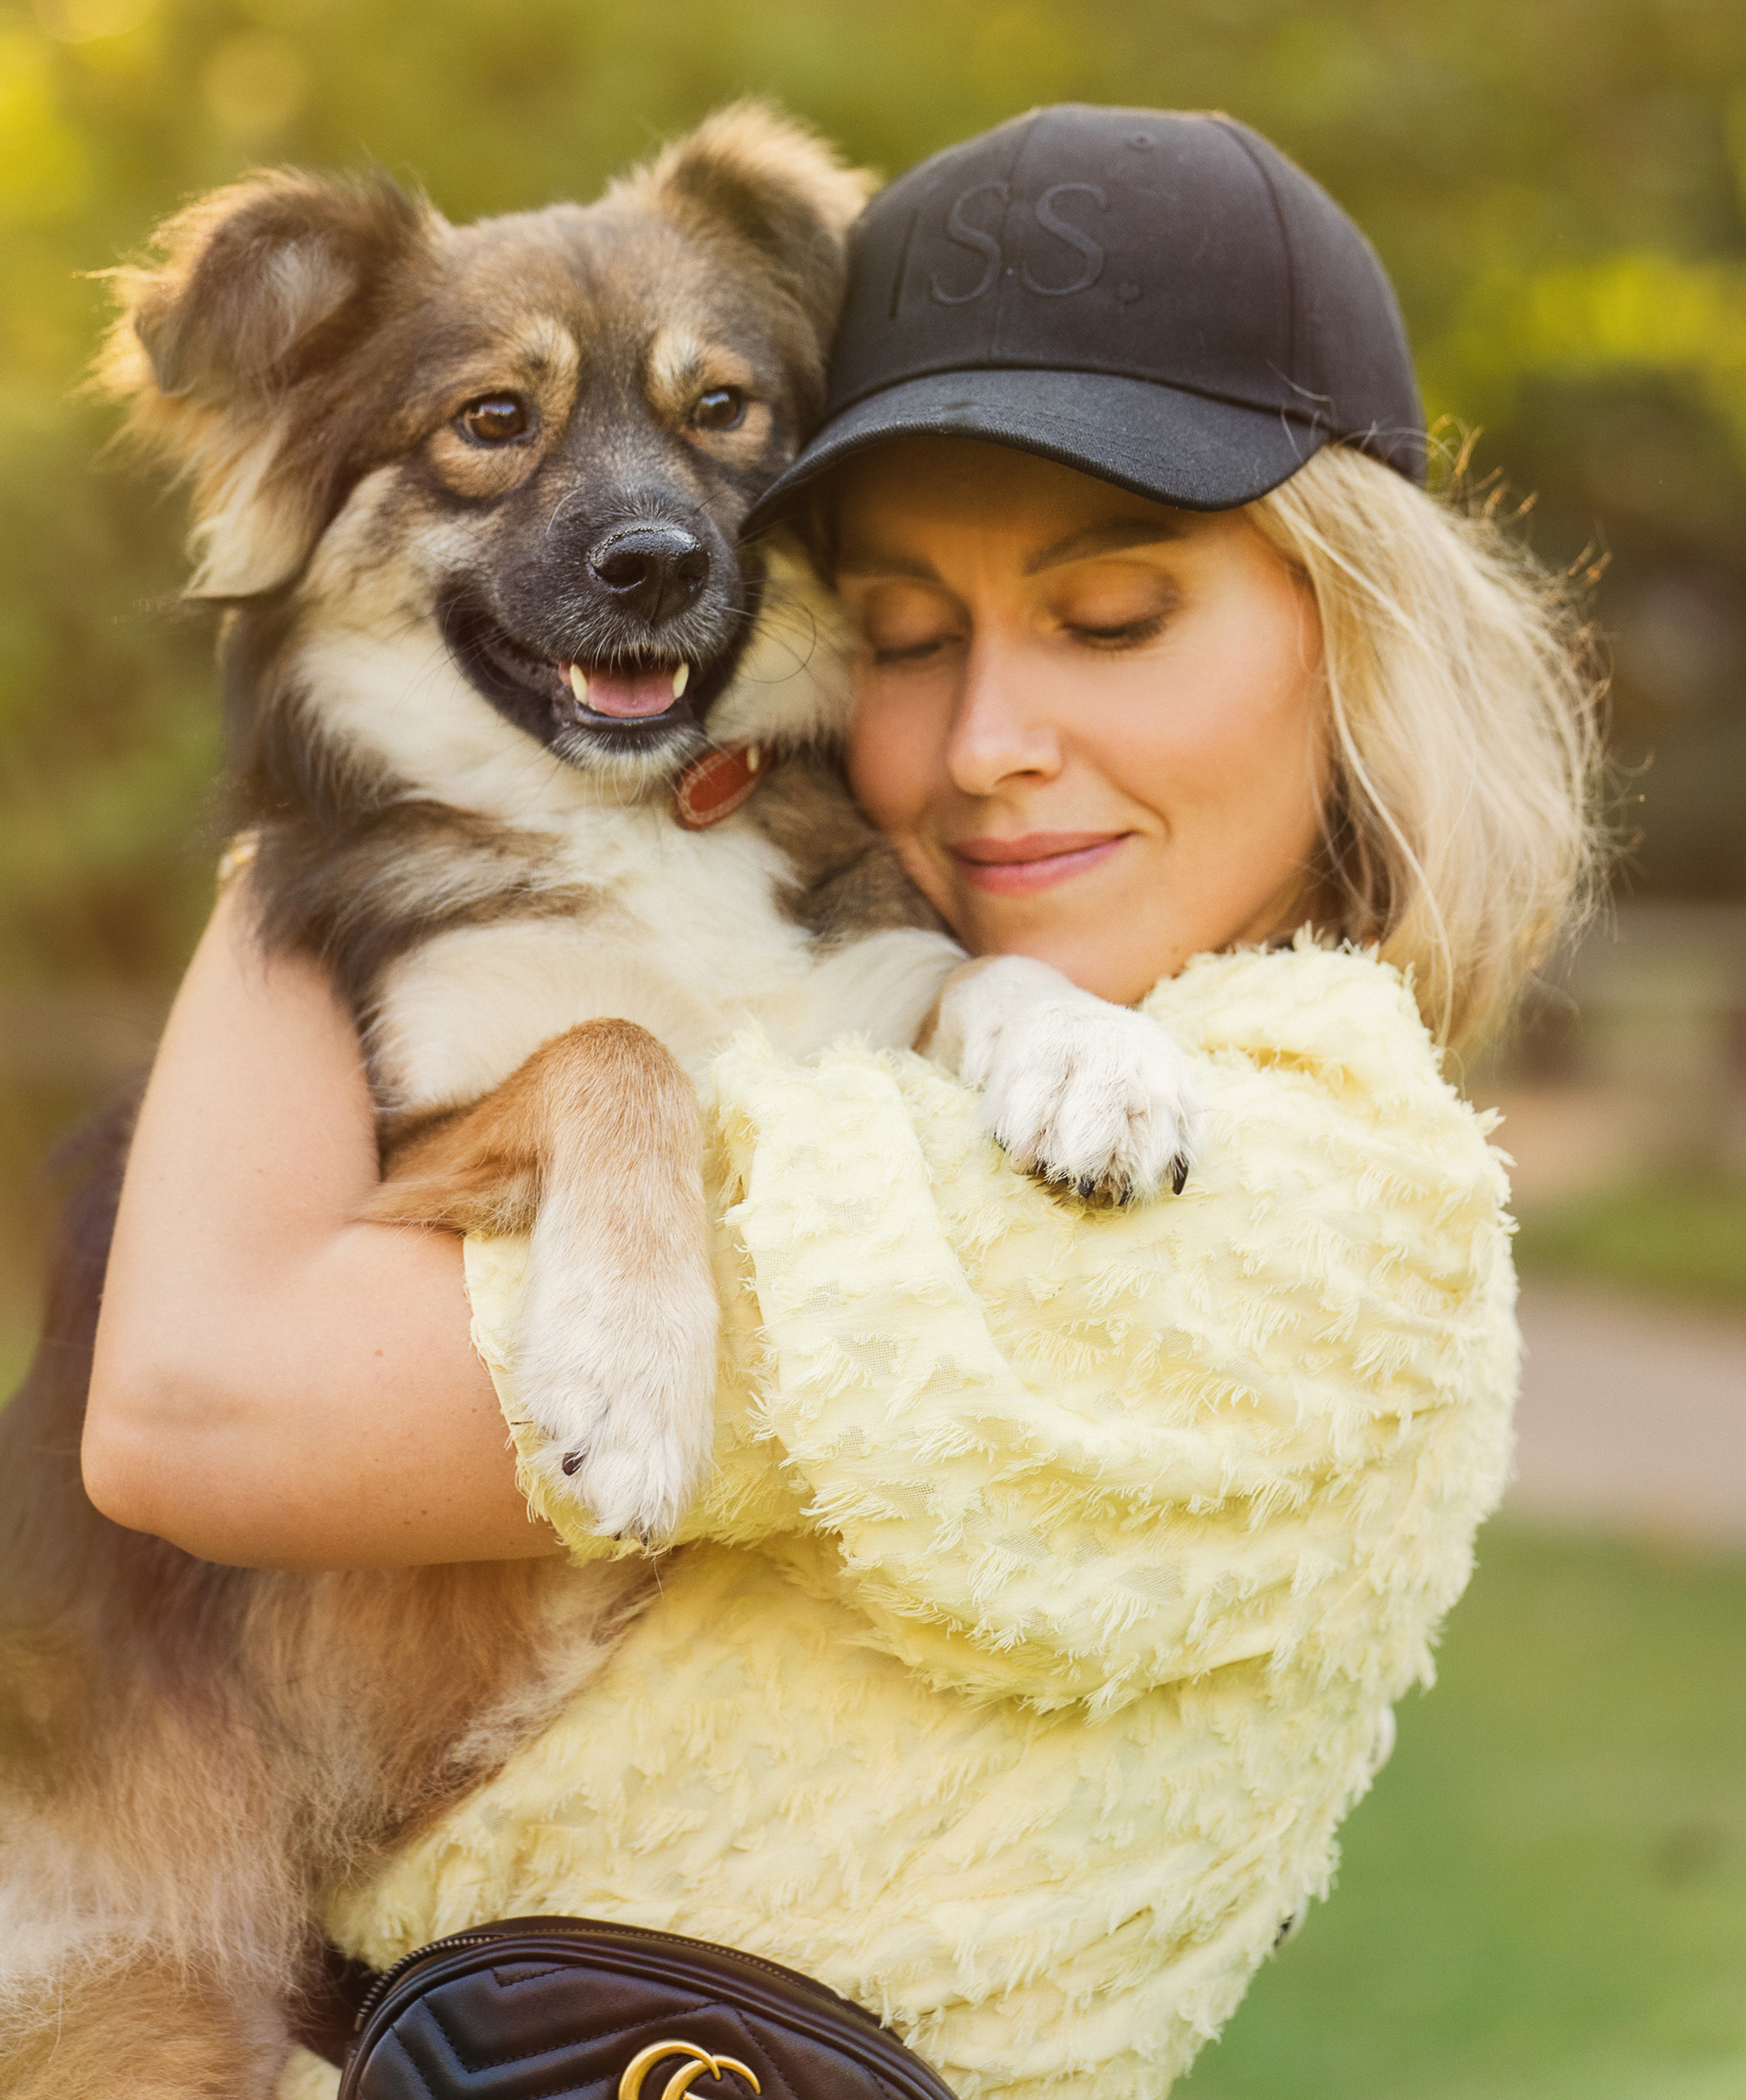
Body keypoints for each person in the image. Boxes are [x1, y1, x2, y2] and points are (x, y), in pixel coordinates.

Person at [80, 106, 1604, 2099]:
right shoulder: (940, 1024)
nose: (985, 744)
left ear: (1364, 632)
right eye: (895, 634)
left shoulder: (1278, 1201)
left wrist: (314, 821)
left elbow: (201, 1401)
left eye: (1115, 618)